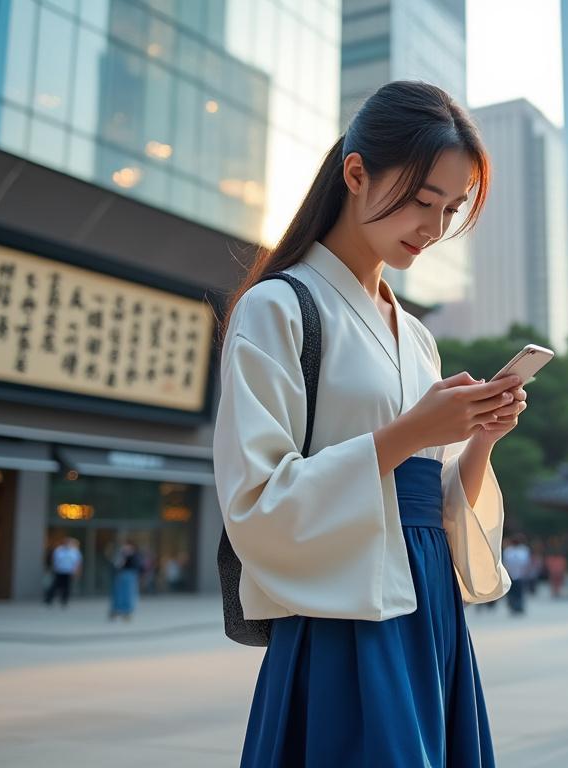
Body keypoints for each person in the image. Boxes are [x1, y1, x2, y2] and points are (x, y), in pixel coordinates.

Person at [212, 81, 521, 767]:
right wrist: (411, 432)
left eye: (451, 208)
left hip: (428, 606)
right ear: (356, 173)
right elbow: (256, 502)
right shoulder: (278, 308)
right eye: (421, 200)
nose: (434, 227)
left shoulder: (416, 335)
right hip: (345, 619)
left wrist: (479, 439)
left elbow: (433, 504)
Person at [44, 537, 82, 608]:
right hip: (59, 571)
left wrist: (77, 571)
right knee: (55, 586)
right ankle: (48, 600)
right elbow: (54, 560)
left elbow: (78, 562)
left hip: (68, 571)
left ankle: (64, 601)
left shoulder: (74, 551)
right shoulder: (58, 550)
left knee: (66, 587)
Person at [108, 541, 142, 621]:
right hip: (120, 575)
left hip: (129, 575)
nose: (125, 548)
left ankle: (127, 612)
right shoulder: (121, 555)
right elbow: (116, 564)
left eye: (127, 547)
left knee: (128, 594)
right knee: (118, 593)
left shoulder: (134, 556)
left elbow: (137, 566)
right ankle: (116, 610)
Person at [502, 535, 532, 616]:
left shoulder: (511, 551)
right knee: (515, 592)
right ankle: (515, 606)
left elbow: (506, 563)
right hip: (515, 574)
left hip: (518, 574)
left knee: (518, 592)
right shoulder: (511, 551)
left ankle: (518, 606)